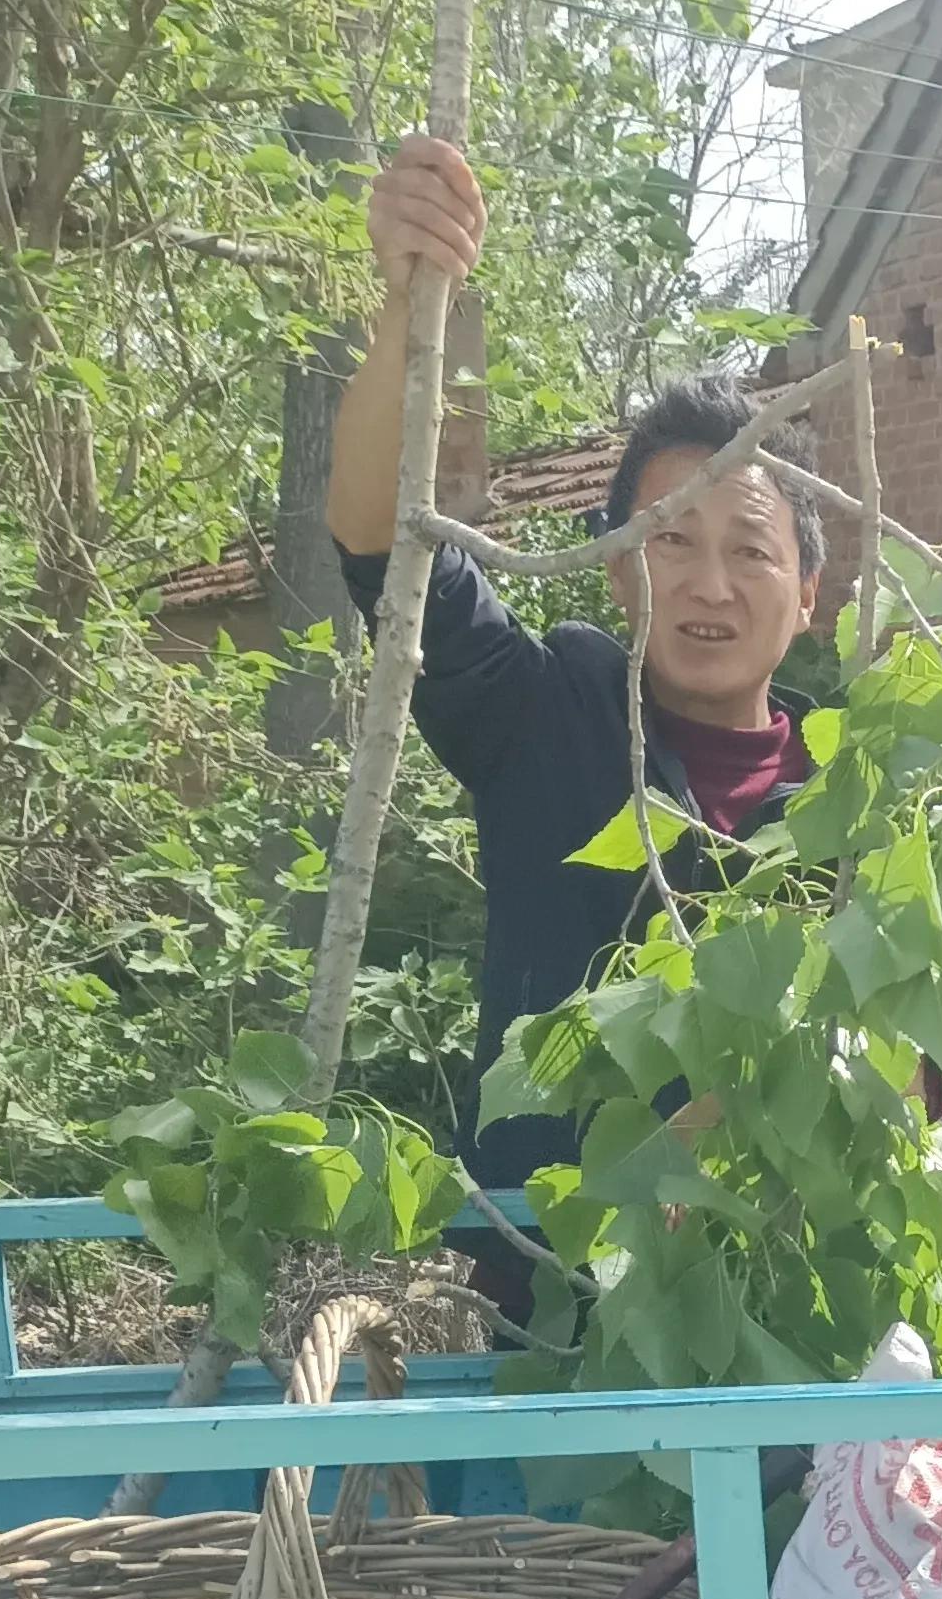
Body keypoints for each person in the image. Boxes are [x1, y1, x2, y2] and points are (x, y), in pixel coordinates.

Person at [324, 132, 831, 1284]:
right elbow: (374, 535)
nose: (706, 583)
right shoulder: (546, 709)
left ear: (806, 597)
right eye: (668, 541)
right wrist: (412, 301)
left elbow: (909, 1066)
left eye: (748, 550)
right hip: (527, 1311)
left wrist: (726, 1120)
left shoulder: (859, 806)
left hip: (781, 1331)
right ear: (614, 567)